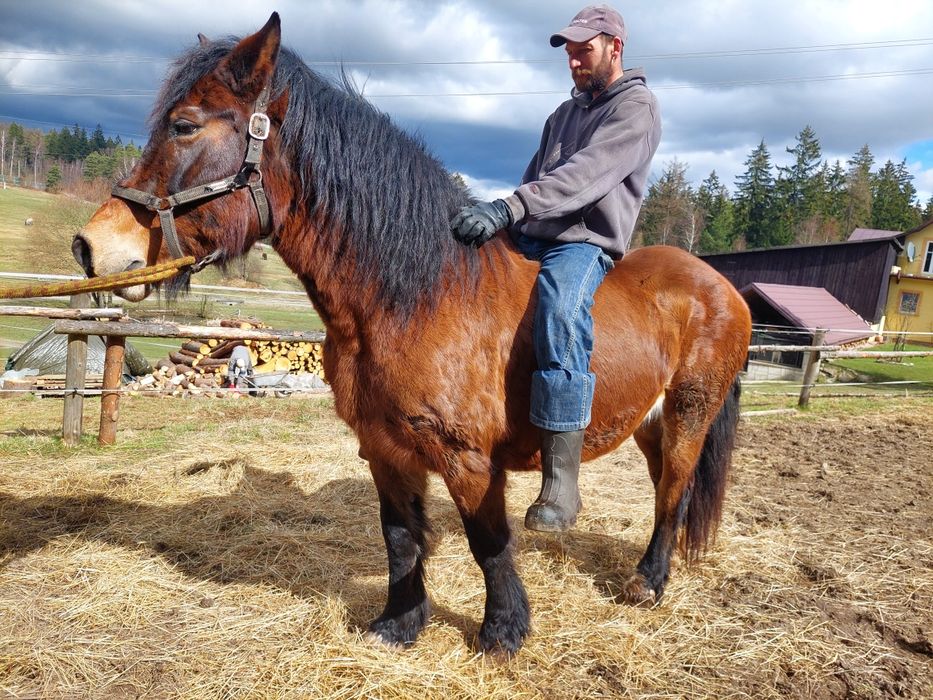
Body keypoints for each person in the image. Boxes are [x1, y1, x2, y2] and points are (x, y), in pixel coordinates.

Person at [450, 4, 662, 532]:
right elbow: (534, 180)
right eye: (568, 52)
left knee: (560, 307)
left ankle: (562, 480)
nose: (572, 61)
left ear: (614, 46)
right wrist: (495, 221)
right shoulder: (561, 116)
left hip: (583, 243)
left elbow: (584, 177)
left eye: (582, 50)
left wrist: (509, 208)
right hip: (532, 233)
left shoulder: (636, 108)